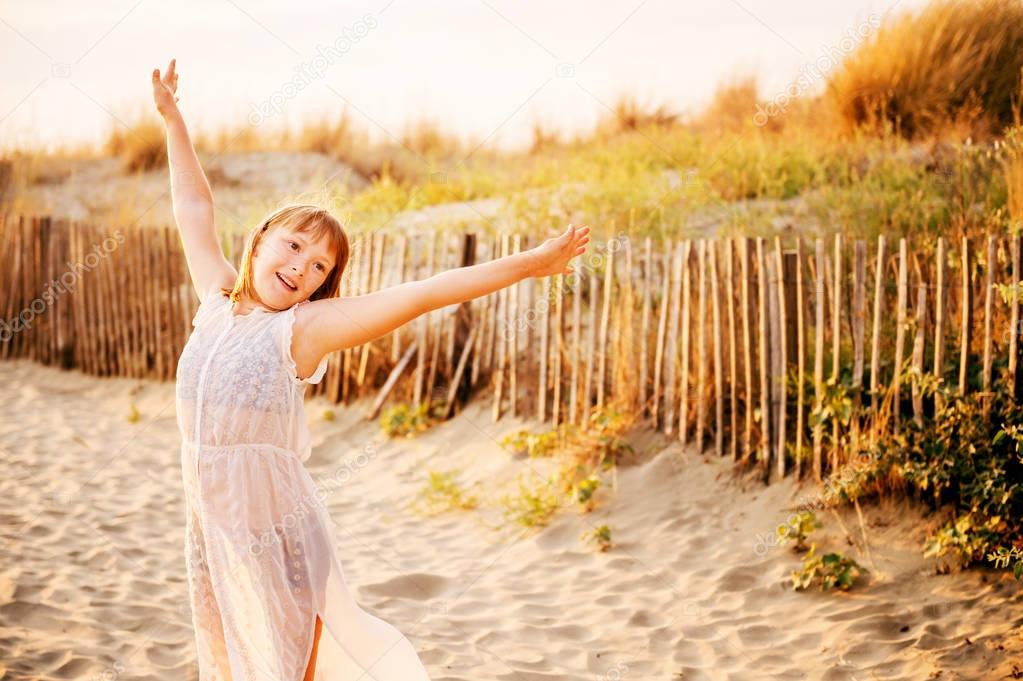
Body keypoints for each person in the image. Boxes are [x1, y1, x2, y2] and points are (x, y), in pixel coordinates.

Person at [152, 58, 590, 680]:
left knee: (294, 661)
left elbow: (426, 292)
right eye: (294, 245)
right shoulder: (215, 298)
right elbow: (193, 206)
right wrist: (173, 119)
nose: (303, 267)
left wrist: (529, 265)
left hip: (279, 538)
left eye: (320, 267)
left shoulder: (302, 331)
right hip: (210, 527)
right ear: (260, 239)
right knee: (227, 658)